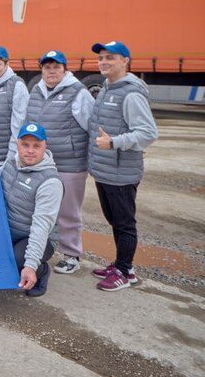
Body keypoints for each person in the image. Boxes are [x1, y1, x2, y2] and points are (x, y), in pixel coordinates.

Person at [88, 40, 158, 292]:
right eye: (101, 58)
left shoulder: (131, 94)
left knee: (125, 224)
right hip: (106, 170)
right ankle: (120, 265)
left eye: (110, 57)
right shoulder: (107, 88)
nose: (103, 62)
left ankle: (126, 272)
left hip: (121, 172)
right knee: (115, 220)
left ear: (125, 61)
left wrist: (114, 142)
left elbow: (148, 133)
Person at [26, 50, 94, 275]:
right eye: (47, 67)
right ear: (41, 70)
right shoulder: (36, 91)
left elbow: (92, 126)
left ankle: (71, 254)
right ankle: (41, 250)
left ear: (65, 69)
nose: (52, 71)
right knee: (41, 209)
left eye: (56, 67)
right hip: (42, 163)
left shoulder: (78, 92)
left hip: (70, 163)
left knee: (68, 211)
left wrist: (92, 158)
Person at [0, 122, 62, 298]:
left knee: (13, 262)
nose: (30, 150)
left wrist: (30, 265)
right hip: (7, 231)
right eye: (25, 145)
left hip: (34, 237)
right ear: (17, 144)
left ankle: (41, 271)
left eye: (36, 146)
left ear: (45, 147)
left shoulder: (50, 182)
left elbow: (41, 227)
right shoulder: (11, 163)